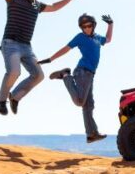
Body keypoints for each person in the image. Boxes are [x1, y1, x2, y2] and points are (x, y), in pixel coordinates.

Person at [0, 0, 83, 115]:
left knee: (38, 75)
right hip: (11, 44)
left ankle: (15, 97)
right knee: (14, 72)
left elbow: (54, 7)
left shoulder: (36, 5)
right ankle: (2, 100)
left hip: (27, 47)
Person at [40, 13, 114, 143]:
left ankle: (92, 134)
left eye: (89, 26)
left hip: (90, 75)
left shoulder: (97, 38)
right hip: (82, 72)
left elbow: (108, 39)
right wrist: (51, 59)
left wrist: (110, 24)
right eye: (83, 27)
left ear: (93, 25)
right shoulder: (80, 37)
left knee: (88, 105)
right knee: (80, 102)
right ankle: (65, 75)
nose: (86, 28)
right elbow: (66, 48)